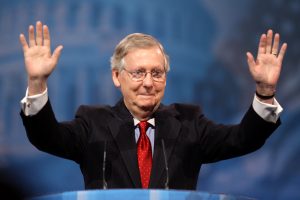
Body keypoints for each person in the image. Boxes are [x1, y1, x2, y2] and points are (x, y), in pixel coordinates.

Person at [20, 21, 287, 190]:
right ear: (117, 76)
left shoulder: (189, 122)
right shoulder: (93, 123)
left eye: (157, 73)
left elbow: (244, 139)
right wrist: (36, 83)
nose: (148, 83)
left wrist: (264, 91)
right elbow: (46, 137)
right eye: (138, 73)